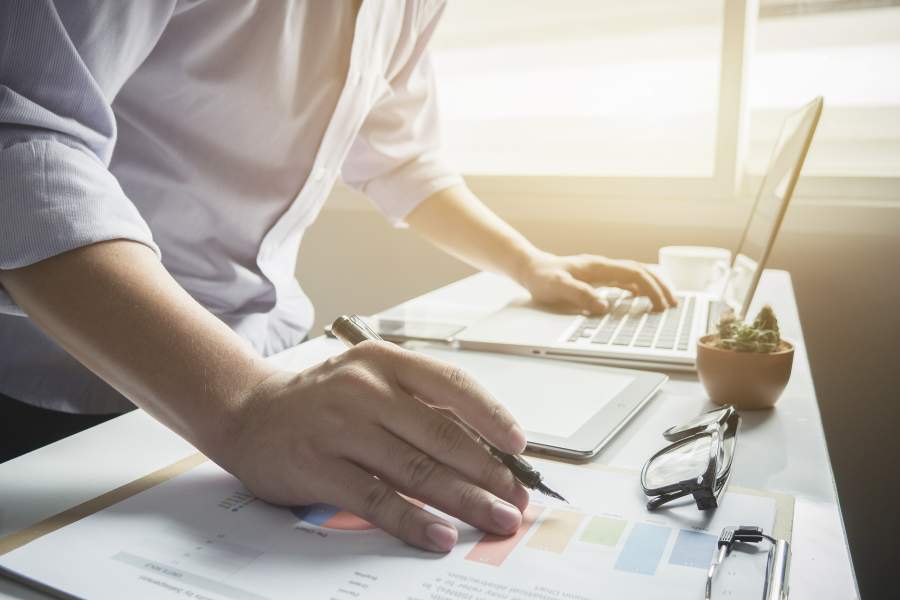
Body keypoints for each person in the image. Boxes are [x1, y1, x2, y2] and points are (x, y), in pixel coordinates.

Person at [0, 1, 675, 553]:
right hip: (72, 387)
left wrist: (532, 263)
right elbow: (22, 138)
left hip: (267, 380)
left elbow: (399, 156)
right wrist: (242, 405)